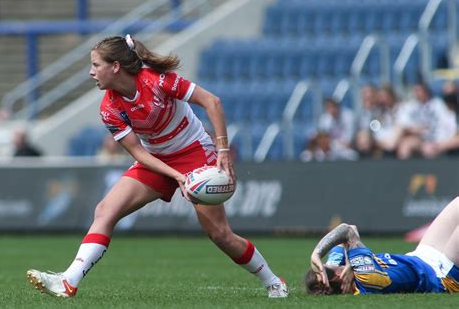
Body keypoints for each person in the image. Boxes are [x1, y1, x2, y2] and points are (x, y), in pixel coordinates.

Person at [26, 35, 288, 298]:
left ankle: (274, 282)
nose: (91, 72)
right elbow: (138, 152)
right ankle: (68, 281)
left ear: (115, 66)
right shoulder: (109, 107)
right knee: (105, 210)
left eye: (96, 65)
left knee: (220, 235)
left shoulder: (157, 80)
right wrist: (176, 176)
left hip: (195, 153)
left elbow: (213, 102)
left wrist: (222, 150)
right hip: (156, 159)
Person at [304, 196, 459, 295]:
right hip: (442, 276)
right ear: (338, 275)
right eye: (328, 265)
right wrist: (317, 253)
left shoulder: (342, 269)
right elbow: (348, 231)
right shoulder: (366, 278)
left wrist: (349, 261)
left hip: (422, 256)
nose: (331, 262)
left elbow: (349, 231)